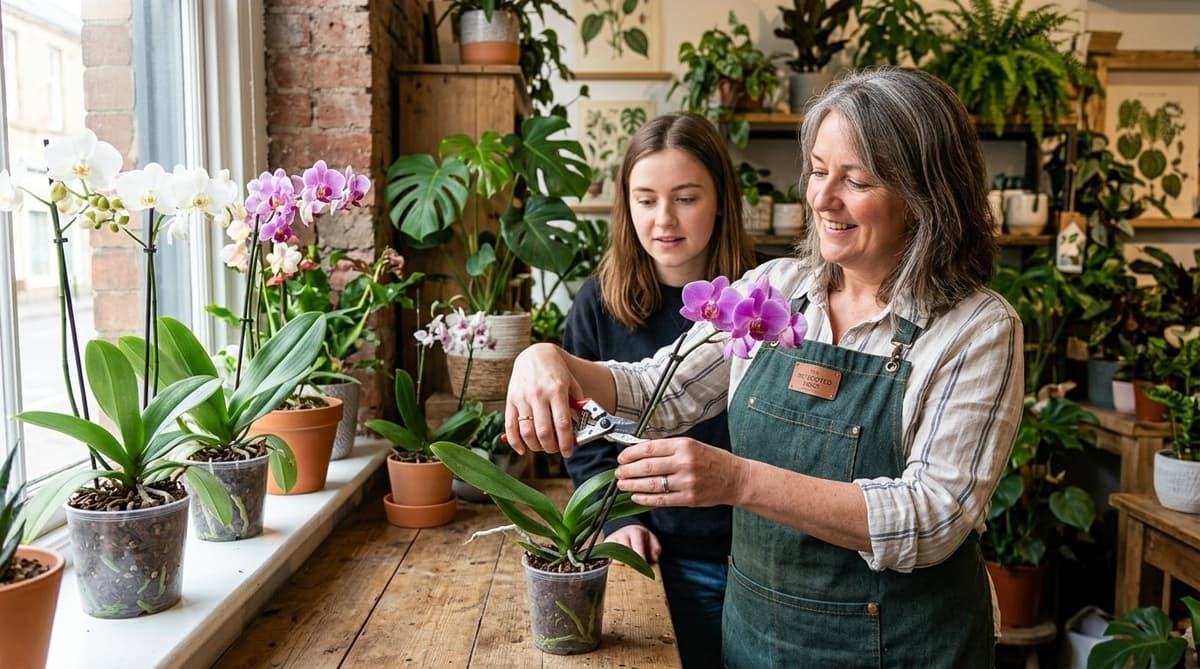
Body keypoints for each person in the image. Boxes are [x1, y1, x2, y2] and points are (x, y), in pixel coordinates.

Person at [505, 68, 1024, 666]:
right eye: (819, 171)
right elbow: (658, 393)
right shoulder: (778, 288)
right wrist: (547, 357)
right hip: (759, 639)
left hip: (901, 647)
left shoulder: (976, 328)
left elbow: (930, 517)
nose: (822, 199)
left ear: (926, 192)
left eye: (854, 180)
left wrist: (738, 481)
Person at [561, 111, 756, 669]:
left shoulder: (765, 303)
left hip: (759, 562)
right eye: (645, 200)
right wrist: (619, 520)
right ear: (626, 206)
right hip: (652, 555)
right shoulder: (598, 303)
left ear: (721, 199)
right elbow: (588, 435)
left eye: (686, 198)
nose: (664, 220)